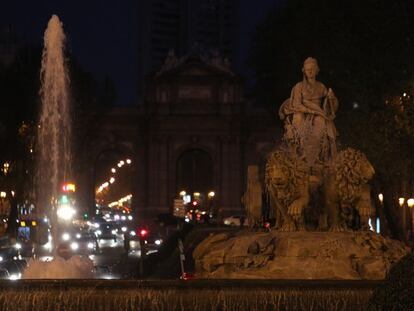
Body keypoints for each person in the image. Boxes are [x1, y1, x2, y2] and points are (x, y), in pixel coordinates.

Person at [279, 57, 338, 173]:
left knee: (321, 121)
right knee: (299, 119)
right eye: (307, 70)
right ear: (304, 71)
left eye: (312, 69)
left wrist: (332, 97)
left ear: (317, 70)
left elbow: (330, 105)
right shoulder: (299, 86)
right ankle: (302, 153)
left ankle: (314, 156)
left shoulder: (321, 87)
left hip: (317, 113)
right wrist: (309, 111)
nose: (310, 72)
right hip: (302, 111)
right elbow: (296, 103)